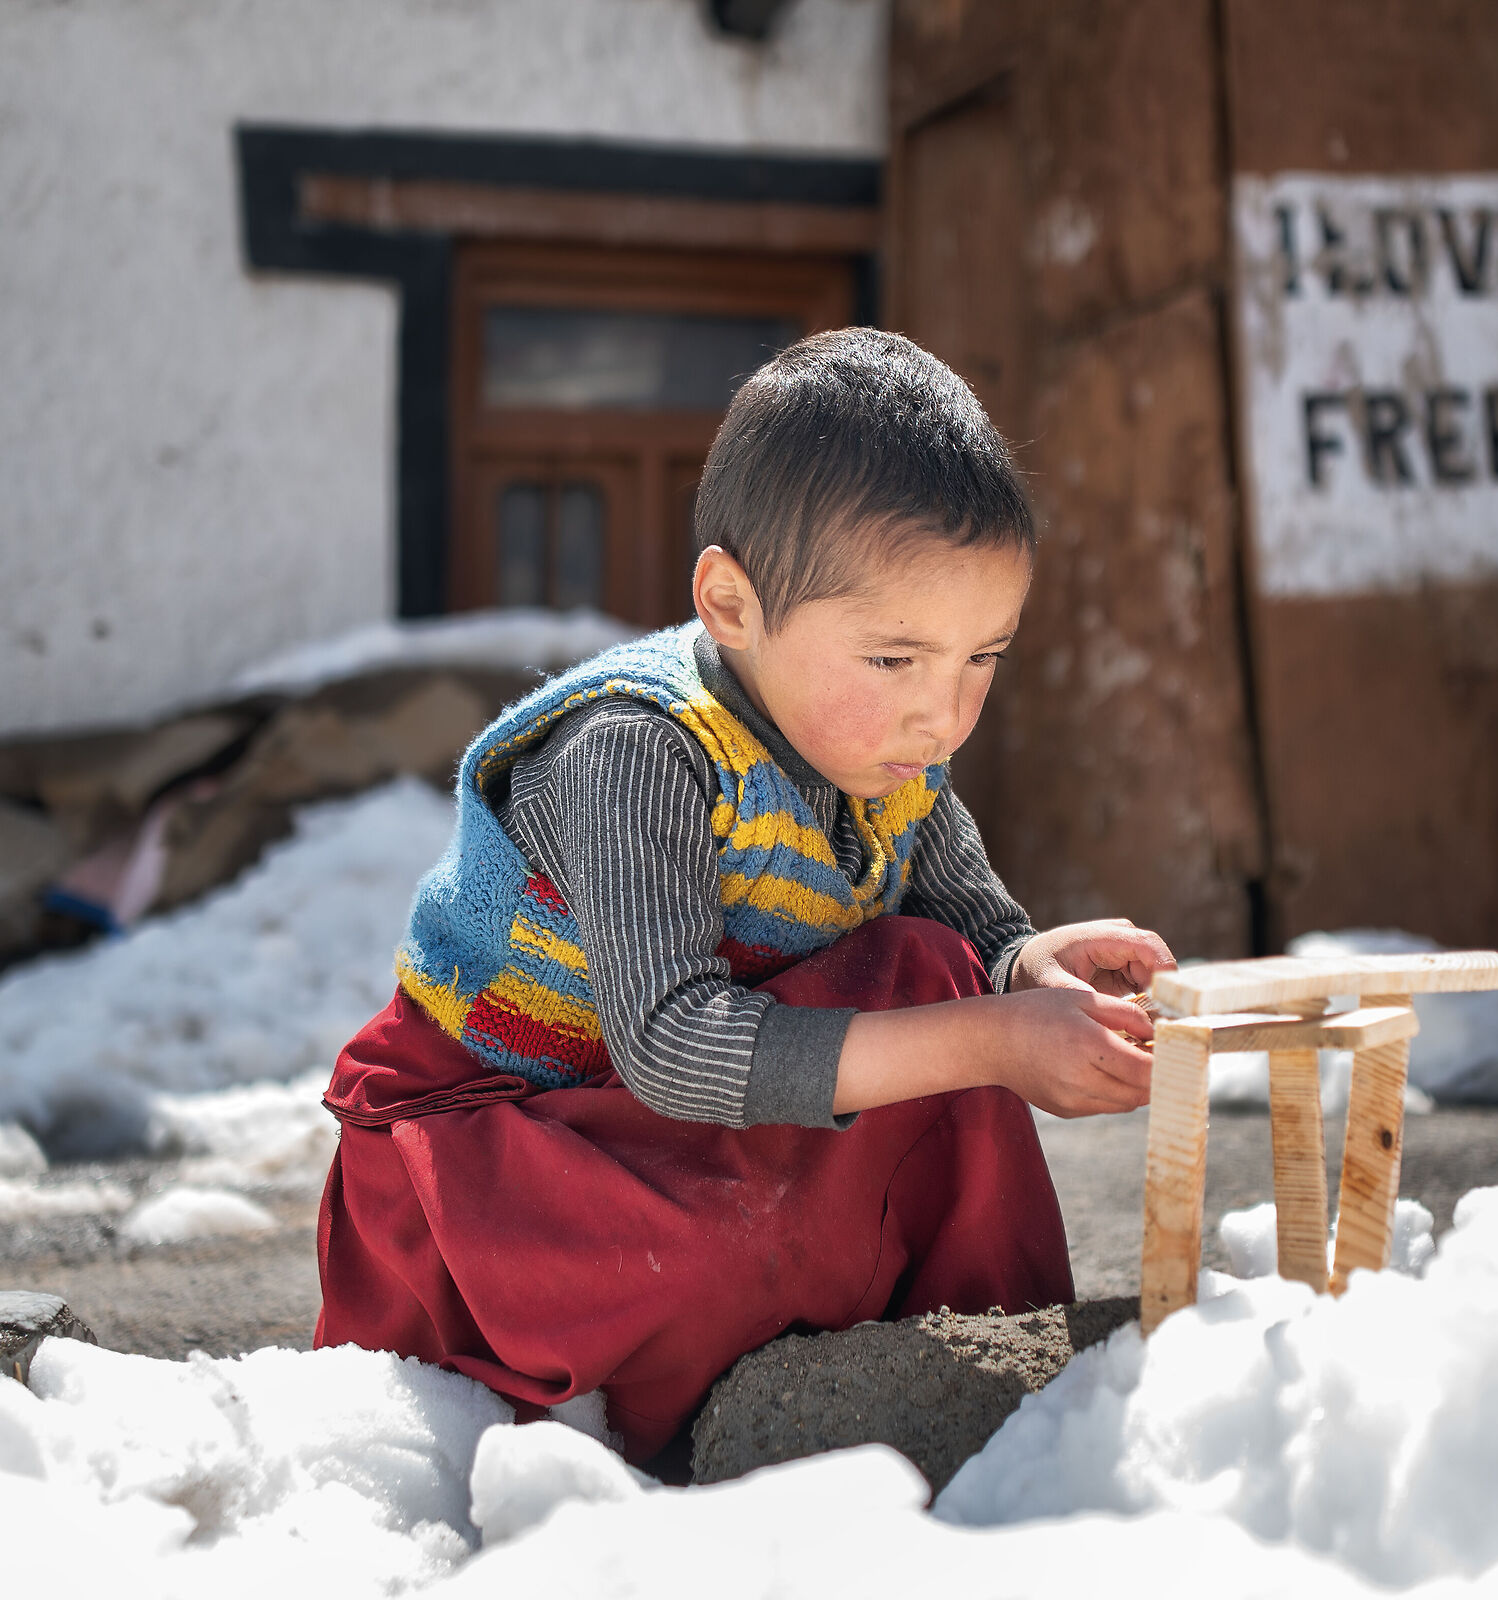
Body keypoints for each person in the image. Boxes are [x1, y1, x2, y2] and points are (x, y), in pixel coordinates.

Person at [313, 327, 1173, 1464]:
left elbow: (966, 920)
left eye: (984, 658)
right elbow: (671, 1043)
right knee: (941, 1045)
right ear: (729, 601)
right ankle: (699, 1414)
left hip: (687, 1131)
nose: (944, 714)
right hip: (517, 1152)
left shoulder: (886, 752)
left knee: (937, 972)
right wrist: (994, 1036)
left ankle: (985, 1368)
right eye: (896, 659)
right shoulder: (634, 748)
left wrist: (1025, 969)